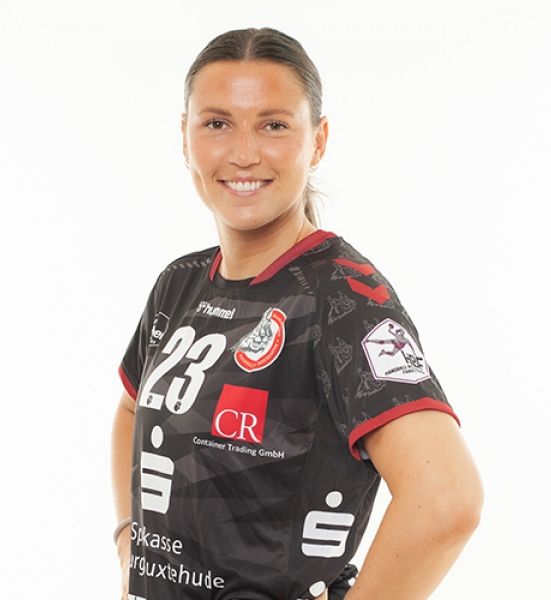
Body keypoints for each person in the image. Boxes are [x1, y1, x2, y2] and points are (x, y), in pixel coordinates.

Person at [111, 27, 483, 600]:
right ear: (185, 138)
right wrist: (128, 539)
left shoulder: (343, 298)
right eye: (217, 123)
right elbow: (132, 408)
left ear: (318, 140)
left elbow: (446, 500)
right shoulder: (179, 283)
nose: (243, 153)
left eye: (274, 125)